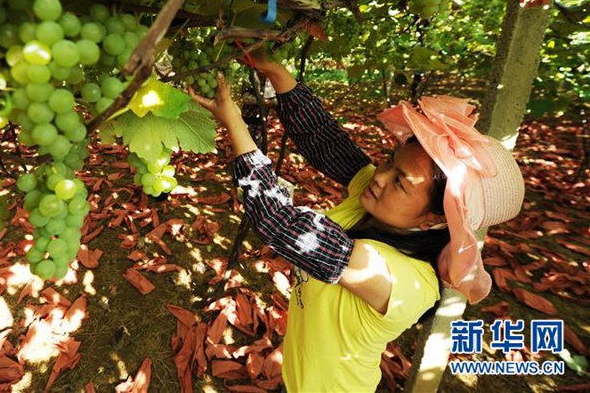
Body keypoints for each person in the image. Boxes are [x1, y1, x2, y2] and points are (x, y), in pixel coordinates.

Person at [190, 50, 525, 392]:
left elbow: (280, 222)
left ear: (434, 220)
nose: (381, 177)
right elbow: (324, 141)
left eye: (400, 181)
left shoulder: (398, 278)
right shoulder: (375, 198)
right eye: (389, 162)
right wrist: (276, 72)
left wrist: (234, 123)